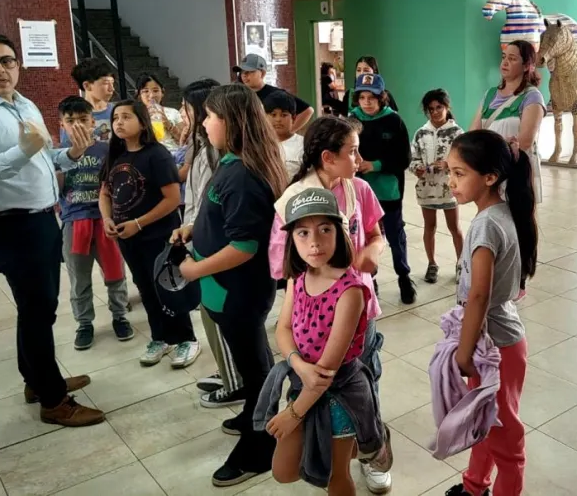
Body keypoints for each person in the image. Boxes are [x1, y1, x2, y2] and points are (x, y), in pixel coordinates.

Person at [0, 32, 104, 426]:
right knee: (36, 309)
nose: (0, 70)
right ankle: (53, 400)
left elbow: (42, 157)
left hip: (41, 218)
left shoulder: (22, 103)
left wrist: (71, 154)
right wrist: (22, 152)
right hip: (9, 225)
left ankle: (36, 378)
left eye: (7, 61)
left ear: (19, 65)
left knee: (39, 307)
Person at [268, 115, 392, 494]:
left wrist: (368, 252)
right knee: (302, 451)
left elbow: (376, 234)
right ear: (327, 156)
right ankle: (350, 443)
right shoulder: (292, 202)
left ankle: (374, 452)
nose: (314, 241)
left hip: (353, 316)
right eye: (352, 152)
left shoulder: (358, 189)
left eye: (326, 230)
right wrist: (296, 364)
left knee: (363, 389)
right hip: (307, 344)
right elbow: (284, 309)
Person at [175, 84, 287, 487]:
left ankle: (262, 445)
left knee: (256, 367)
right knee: (248, 361)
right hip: (226, 288)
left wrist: (192, 271)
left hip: (237, 289)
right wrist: (193, 229)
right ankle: (252, 416)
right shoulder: (232, 162)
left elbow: (244, 245)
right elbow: (223, 219)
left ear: (233, 122)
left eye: (210, 116)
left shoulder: (242, 174)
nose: (204, 123)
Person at [443, 130, 537, 496]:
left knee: (504, 436)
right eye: (449, 172)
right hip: (493, 344)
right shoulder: (501, 212)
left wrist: (464, 351)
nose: (451, 183)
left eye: (459, 173)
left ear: (490, 177)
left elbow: (479, 297)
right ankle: (473, 486)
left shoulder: (485, 225)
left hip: (494, 349)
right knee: (484, 422)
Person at [98, 100, 200, 369]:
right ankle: (160, 337)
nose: (119, 122)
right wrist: (108, 219)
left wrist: (139, 223)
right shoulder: (113, 156)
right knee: (145, 288)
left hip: (158, 235)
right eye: (115, 118)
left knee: (168, 287)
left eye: (126, 117)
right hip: (127, 238)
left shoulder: (157, 155)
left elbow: (171, 198)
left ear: (142, 122)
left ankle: (186, 339)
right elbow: (104, 194)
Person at [170, 79, 247, 409]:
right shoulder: (204, 149)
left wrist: (197, 253)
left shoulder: (226, 160)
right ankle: (231, 372)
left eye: (193, 110)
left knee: (221, 320)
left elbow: (212, 207)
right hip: (203, 242)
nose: (191, 118)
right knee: (215, 321)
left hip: (216, 252)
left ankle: (236, 383)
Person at [55, 96, 133, 351]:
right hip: (74, 222)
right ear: (61, 124)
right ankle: (84, 323)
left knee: (115, 272)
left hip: (106, 220)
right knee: (79, 278)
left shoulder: (108, 149)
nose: (77, 125)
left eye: (83, 120)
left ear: (93, 122)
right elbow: (53, 189)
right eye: (70, 121)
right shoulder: (56, 154)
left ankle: (120, 316)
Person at [350, 73, 417, 305]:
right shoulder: (351, 121)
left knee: (395, 235)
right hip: (360, 194)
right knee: (367, 238)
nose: (367, 102)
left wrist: (376, 165)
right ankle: (372, 278)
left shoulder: (394, 121)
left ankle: (404, 277)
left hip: (389, 193)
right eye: (362, 97)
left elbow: (404, 158)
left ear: (382, 98)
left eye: (373, 97)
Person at [469, 39, 546, 205]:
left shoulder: (532, 97)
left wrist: (490, 148)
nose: (505, 62)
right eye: (504, 57)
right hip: (490, 171)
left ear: (526, 66)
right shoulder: (489, 94)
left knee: (517, 222)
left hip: (516, 171)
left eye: (512, 59)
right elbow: (473, 135)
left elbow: (524, 142)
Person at [411, 89, 464, 284]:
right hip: (427, 190)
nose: (435, 112)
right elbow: (413, 157)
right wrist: (416, 168)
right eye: (430, 109)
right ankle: (432, 264)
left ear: (447, 107)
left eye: (439, 107)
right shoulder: (420, 133)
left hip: (449, 189)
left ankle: (461, 264)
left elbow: (466, 160)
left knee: (454, 227)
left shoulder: (457, 133)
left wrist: (449, 165)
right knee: (429, 227)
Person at [235, 53, 314, 133]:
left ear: (262, 73)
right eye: (242, 72)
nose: (244, 75)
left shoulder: (276, 94)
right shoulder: (238, 95)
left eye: (250, 71)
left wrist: (287, 133)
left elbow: (307, 111)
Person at [70, 58, 116, 141]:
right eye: (106, 83)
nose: (112, 88)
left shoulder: (117, 111)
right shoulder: (72, 116)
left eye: (112, 83)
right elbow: (66, 149)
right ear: (87, 85)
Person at [264, 89, 304, 179]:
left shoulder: (303, 145)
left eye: (284, 115)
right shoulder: (259, 145)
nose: (278, 119)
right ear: (264, 117)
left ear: (293, 118)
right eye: (273, 115)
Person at [137, 73, 183, 151]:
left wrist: (169, 125)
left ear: (162, 92)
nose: (151, 95)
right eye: (145, 91)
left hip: (172, 154)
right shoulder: (136, 115)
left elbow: (183, 139)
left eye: (155, 90)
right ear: (139, 95)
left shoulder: (173, 112)